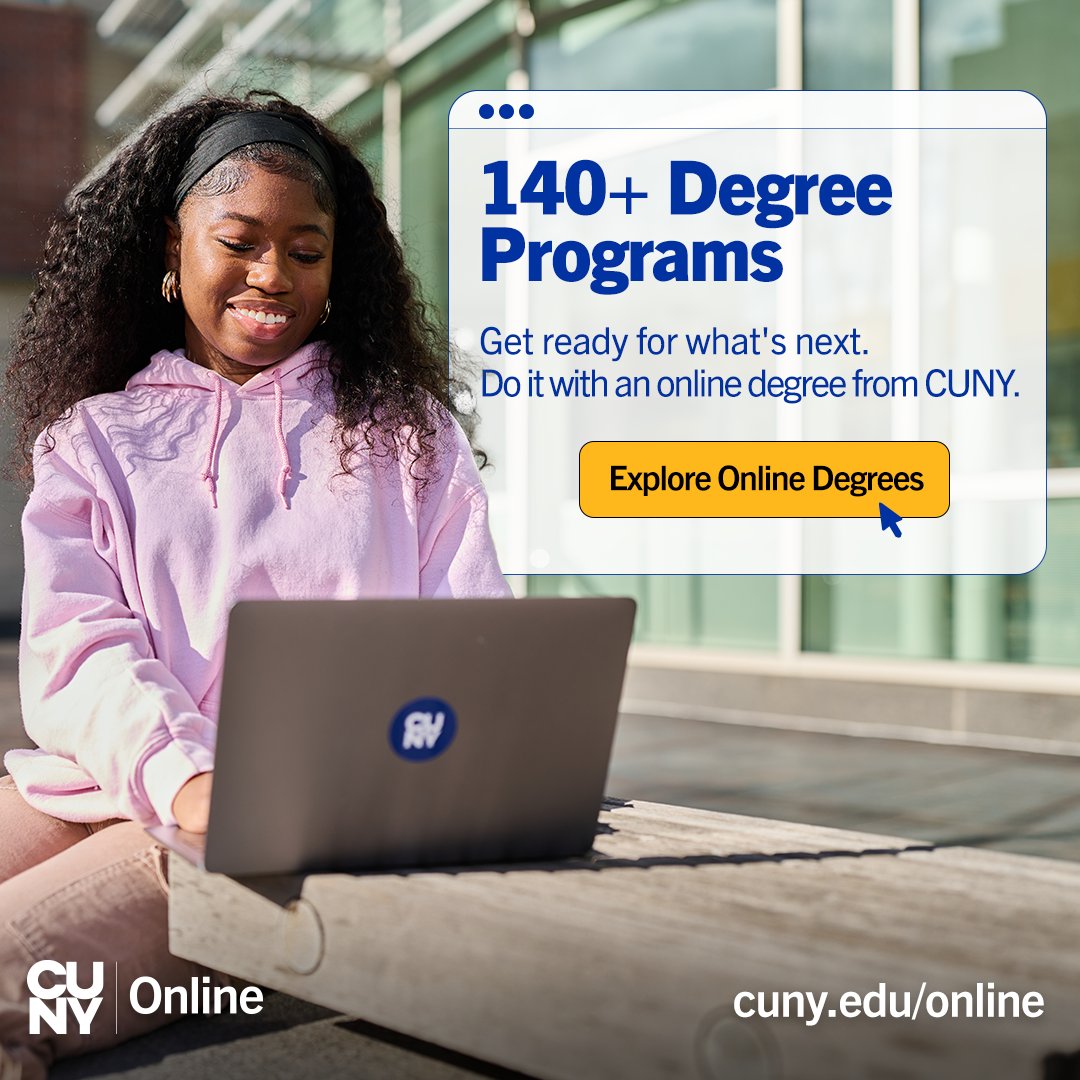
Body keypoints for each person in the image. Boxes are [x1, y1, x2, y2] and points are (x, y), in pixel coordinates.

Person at [0, 92, 510, 1078]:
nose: (273, 275)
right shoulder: (97, 438)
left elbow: (472, 641)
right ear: (171, 244)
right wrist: (185, 776)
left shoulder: (407, 435)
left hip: (270, 831)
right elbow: (76, 644)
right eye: (238, 241)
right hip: (115, 784)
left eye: (307, 252)